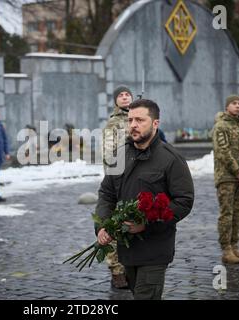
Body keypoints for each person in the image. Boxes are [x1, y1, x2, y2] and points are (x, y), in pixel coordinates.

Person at [96, 99, 194, 300]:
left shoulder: (171, 159)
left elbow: (183, 201)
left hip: (155, 249)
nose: (133, 125)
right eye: (130, 120)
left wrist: (147, 224)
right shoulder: (120, 155)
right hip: (127, 250)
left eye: (140, 120)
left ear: (155, 123)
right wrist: (103, 226)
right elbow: (107, 194)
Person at [212, 95, 239, 264]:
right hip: (226, 176)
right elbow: (222, 151)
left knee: (238, 212)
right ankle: (226, 249)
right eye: (234, 104)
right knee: (227, 213)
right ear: (227, 106)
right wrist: (237, 172)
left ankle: (235, 246)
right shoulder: (220, 126)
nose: (238, 106)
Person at [102, 85, 133, 289]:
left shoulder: (137, 119)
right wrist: (115, 178)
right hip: (119, 179)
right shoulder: (113, 124)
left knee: (132, 223)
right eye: (120, 95)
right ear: (115, 101)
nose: (124, 97)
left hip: (137, 179)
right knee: (114, 225)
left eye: (127, 94)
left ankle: (132, 266)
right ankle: (116, 270)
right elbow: (108, 153)